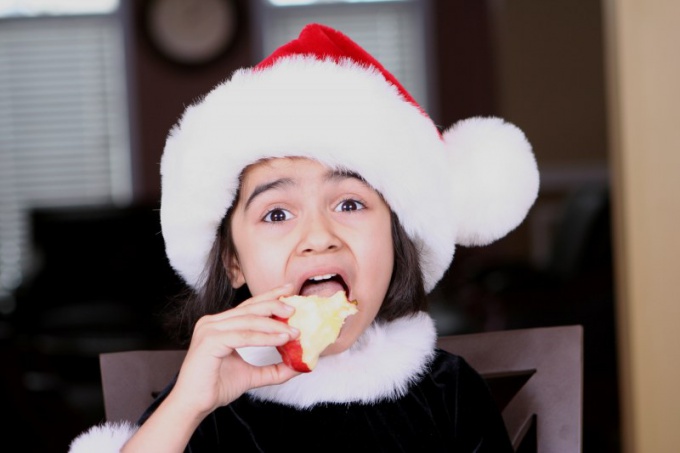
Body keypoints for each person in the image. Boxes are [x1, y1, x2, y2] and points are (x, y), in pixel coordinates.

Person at [69, 23, 539, 452]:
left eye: (350, 204)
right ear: (233, 261)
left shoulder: (450, 393)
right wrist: (187, 404)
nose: (318, 237)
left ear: (399, 241)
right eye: (276, 213)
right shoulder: (208, 401)